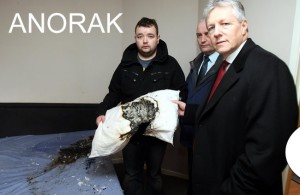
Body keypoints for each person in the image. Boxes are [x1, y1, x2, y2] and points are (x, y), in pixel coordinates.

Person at [174, 0, 299, 194]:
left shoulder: (270, 69)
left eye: (225, 24)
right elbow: (226, 112)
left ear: (243, 26)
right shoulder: (224, 66)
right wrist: (190, 112)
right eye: (211, 27)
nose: (216, 33)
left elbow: (266, 154)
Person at [96, 17, 187, 195]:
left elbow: (182, 92)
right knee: (131, 175)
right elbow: (114, 93)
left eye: (150, 36)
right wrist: (101, 111)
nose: (145, 40)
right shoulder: (125, 66)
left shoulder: (171, 65)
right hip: (130, 132)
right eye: (140, 36)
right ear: (135, 38)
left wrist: (174, 111)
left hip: (157, 134)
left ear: (158, 38)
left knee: (154, 175)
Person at [179, 19, 222, 195]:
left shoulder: (225, 65)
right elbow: (188, 92)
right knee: (194, 180)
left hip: (211, 137)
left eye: (207, 34)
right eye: (199, 35)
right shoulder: (197, 63)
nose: (202, 39)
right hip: (192, 133)